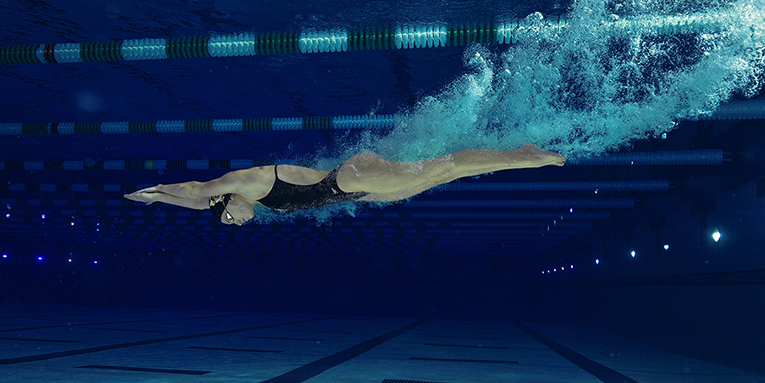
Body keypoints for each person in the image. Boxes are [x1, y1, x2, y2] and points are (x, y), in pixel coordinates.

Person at [124, 144, 565, 226]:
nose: (238, 224)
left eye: (231, 221)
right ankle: (519, 158)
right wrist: (160, 200)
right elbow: (200, 203)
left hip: (351, 176)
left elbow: (199, 189)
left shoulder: (246, 183)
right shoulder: (234, 200)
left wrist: (159, 189)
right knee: (441, 175)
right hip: (360, 191)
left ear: (228, 204)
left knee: (439, 167)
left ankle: (525, 156)